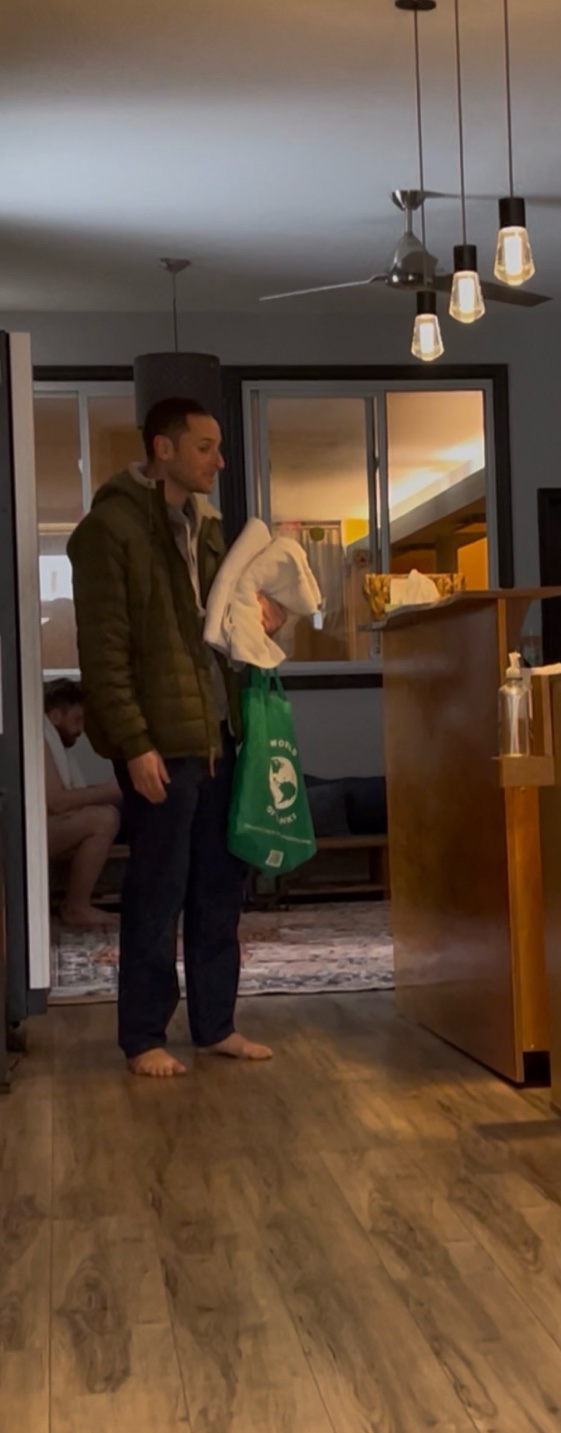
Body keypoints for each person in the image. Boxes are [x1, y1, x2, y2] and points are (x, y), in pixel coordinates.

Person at [68, 397, 283, 1079]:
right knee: (156, 892)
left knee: (219, 889)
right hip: (160, 743)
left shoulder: (207, 528)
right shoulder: (109, 531)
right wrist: (135, 745)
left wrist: (263, 617)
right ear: (163, 448)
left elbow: (220, 626)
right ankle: (142, 1037)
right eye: (204, 447)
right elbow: (104, 653)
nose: (219, 461)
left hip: (219, 734)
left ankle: (217, 1025)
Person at [43, 678, 121, 928]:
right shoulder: (38, 741)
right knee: (104, 819)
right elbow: (56, 802)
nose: (80, 730)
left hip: (47, 826)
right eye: (77, 720)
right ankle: (76, 908)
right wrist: (109, 791)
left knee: (123, 809)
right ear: (55, 716)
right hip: (31, 833)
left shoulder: (57, 747)